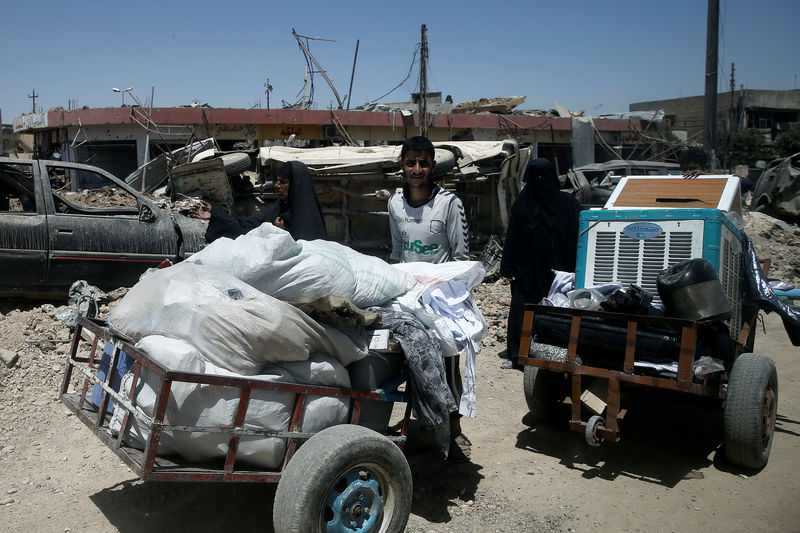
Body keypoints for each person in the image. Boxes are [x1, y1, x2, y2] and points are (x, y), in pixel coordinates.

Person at [387, 135, 471, 461]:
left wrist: (453, 300)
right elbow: (396, 251)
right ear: (403, 166)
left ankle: (453, 425)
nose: (417, 168)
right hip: (408, 298)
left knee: (447, 364)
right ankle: (420, 422)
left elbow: (461, 258)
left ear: (433, 166)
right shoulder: (395, 204)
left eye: (423, 162)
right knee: (410, 360)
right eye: (411, 162)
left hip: (441, 299)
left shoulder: (450, 205)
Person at [499, 158, 581, 370]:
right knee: (522, 313)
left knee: (559, 311)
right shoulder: (523, 207)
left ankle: (557, 354)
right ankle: (518, 354)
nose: (541, 182)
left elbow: (580, 237)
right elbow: (513, 238)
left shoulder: (570, 205)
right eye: (537, 178)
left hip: (561, 273)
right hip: (529, 272)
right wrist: (508, 268)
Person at [189, 160, 327, 242]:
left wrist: (282, 233)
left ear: (297, 185)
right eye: (276, 181)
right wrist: (215, 214)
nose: (276, 185)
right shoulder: (279, 208)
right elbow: (250, 224)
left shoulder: (308, 217)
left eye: (283, 182)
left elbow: (306, 251)